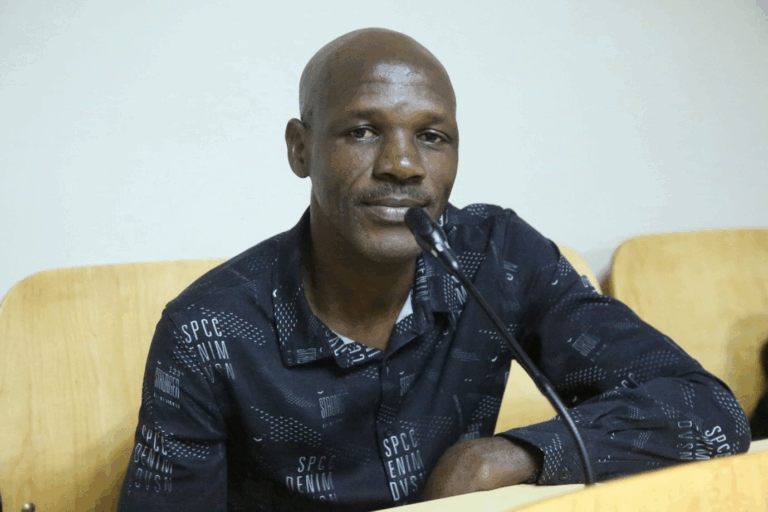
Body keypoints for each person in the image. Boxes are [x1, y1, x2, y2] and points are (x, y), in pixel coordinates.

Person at [117, 28, 750, 511]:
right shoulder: (206, 329)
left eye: (432, 137)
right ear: (300, 148)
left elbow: (708, 410)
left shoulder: (499, 257)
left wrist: (514, 455)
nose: (402, 165)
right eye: (363, 131)